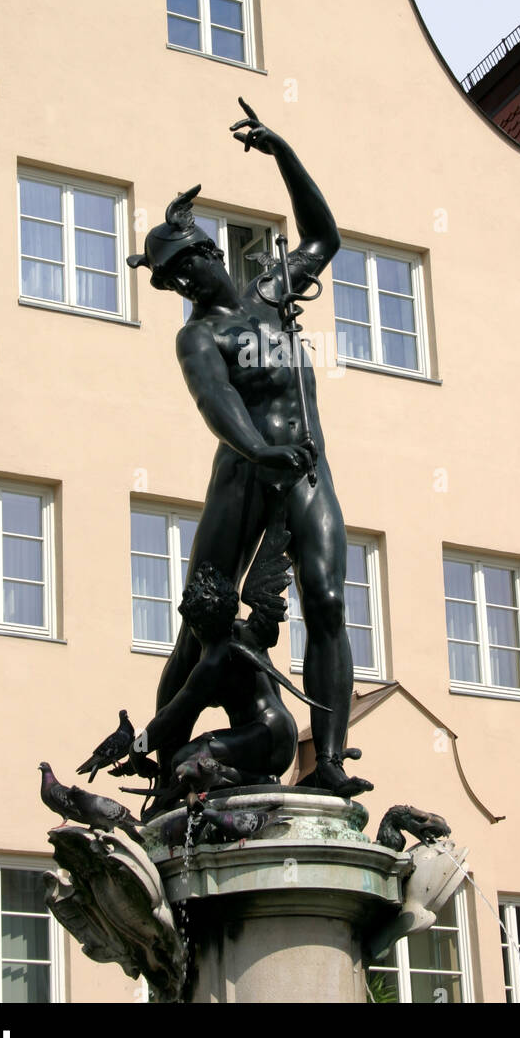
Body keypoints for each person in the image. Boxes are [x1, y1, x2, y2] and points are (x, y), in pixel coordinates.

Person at [127, 100, 371, 798]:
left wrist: (282, 152)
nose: (182, 287)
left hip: (306, 465)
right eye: (171, 282)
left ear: (207, 253)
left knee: (325, 600)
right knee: (202, 617)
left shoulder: (271, 294)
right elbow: (219, 404)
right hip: (244, 472)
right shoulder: (198, 337)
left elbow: (323, 237)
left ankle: (327, 760)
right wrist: (260, 452)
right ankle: (160, 754)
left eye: (185, 271)